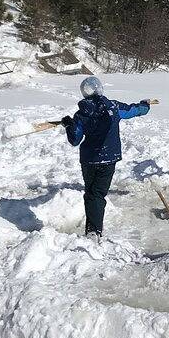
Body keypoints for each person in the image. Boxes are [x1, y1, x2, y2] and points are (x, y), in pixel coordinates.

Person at [63, 76, 151, 239]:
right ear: (100, 88)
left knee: (91, 193)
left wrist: (69, 124)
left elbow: (74, 139)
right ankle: (94, 230)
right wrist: (145, 105)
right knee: (97, 194)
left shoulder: (81, 114)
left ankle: (93, 230)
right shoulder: (114, 107)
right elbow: (134, 110)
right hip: (109, 158)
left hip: (89, 160)